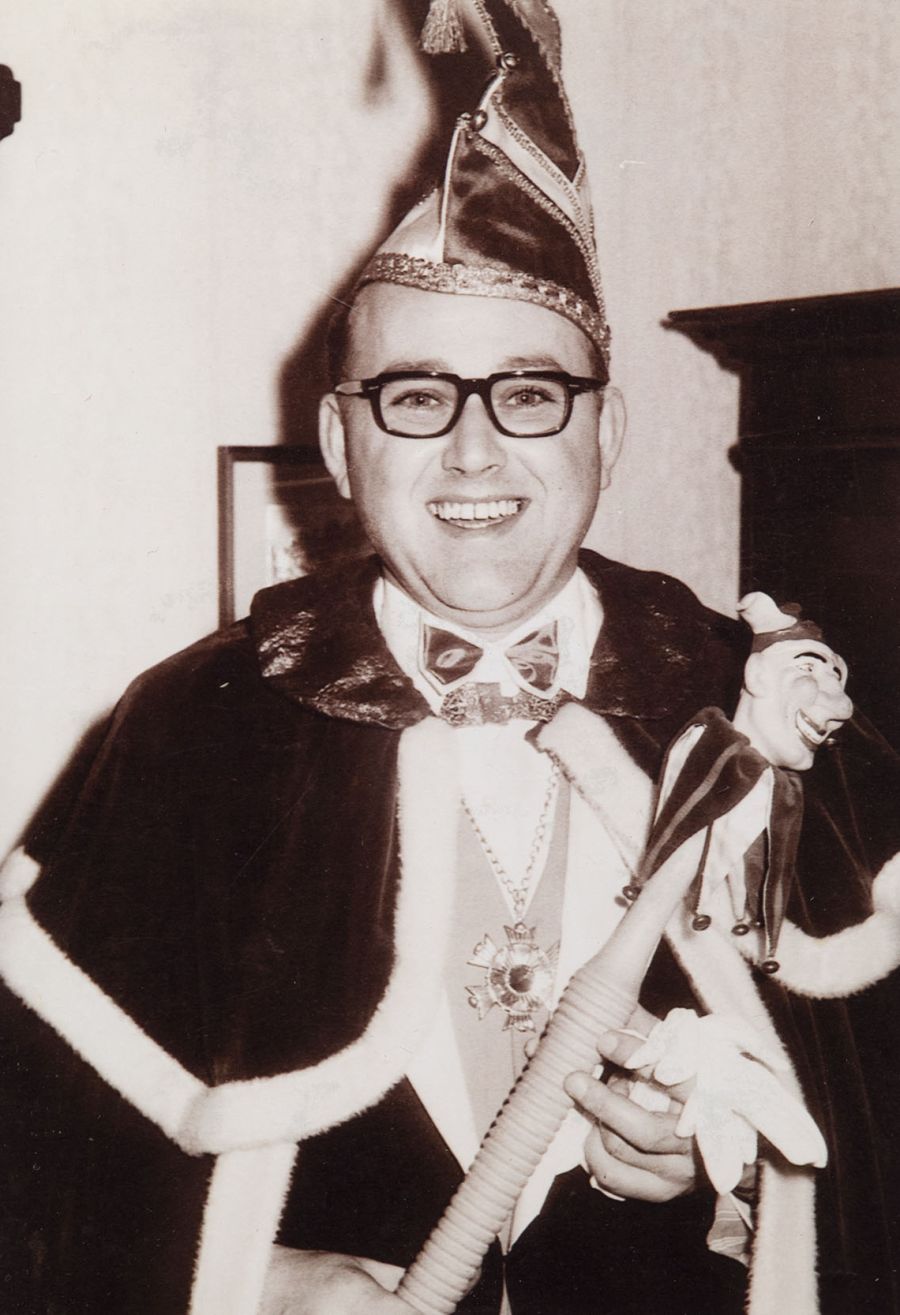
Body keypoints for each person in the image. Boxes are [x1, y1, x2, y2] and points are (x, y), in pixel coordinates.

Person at [2, 3, 899, 1313]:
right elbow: (41, 1162)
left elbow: (871, 1135)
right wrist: (263, 1282)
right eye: (416, 397)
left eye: (530, 393)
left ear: (607, 431)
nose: (475, 454)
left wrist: (729, 1177)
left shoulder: (750, 702)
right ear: (341, 440)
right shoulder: (194, 727)